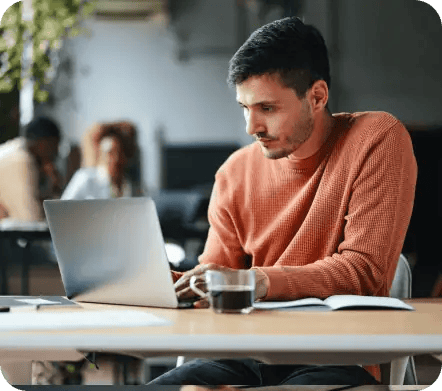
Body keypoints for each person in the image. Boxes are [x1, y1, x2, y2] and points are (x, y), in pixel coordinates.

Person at [148, 16, 417, 386]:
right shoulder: (235, 172)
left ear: (317, 97)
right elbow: (213, 283)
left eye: (267, 109)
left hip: (332, 360)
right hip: (239, 358)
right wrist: (168, 283)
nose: (250, 127)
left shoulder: (376, 139)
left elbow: (363, 272)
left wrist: (255, 280)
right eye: (245, 107)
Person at [0, 116, 62, 221]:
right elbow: (30, 218)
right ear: (44, 142)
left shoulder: (19, 152)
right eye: (55, 145)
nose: (56, 153)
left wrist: (53, 188)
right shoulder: (19, 159)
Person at [61, 126, 134, 199]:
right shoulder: (85, 178)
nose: (116, 158)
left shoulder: (127, 184)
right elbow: (63, 207)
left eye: (120, 153)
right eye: (110, 153)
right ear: (101, 155)